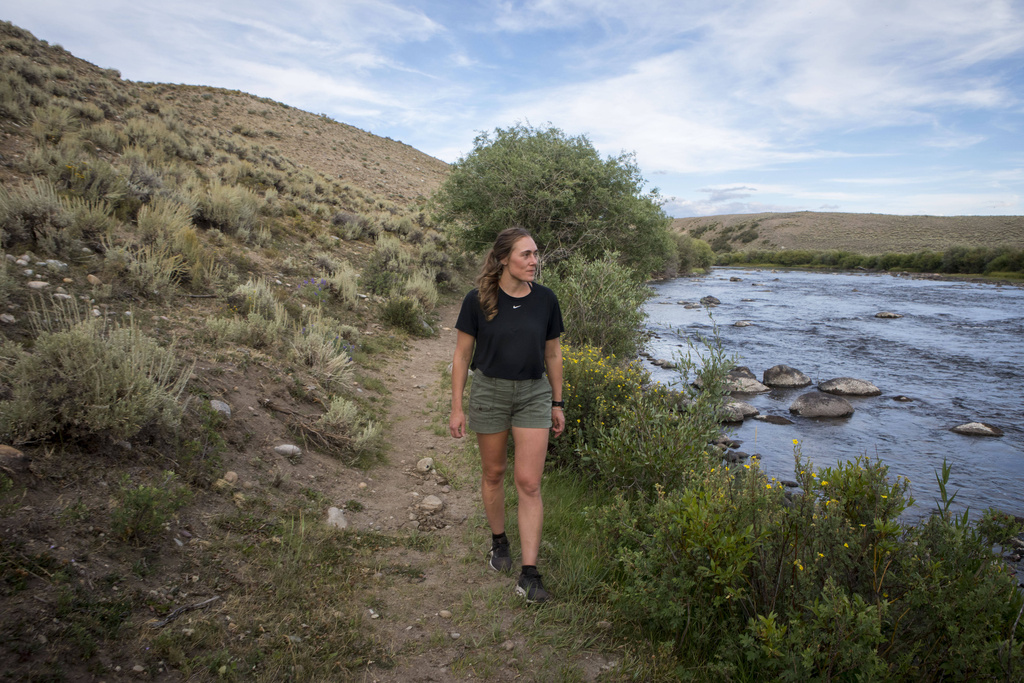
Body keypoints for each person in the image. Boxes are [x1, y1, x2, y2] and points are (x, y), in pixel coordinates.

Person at [449, 226, 565, 603]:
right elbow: (462, 356)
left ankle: (529, 574)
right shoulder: (477, 300)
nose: (534, 261)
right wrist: (456, 407)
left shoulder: (546, 300)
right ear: (503, 259)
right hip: (489, 392)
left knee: (529, 483)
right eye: (525, 255)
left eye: (536, 254)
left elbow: (553, 355)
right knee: (494, 473)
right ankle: (499, 542)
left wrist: (557, 402)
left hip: (533, 393)